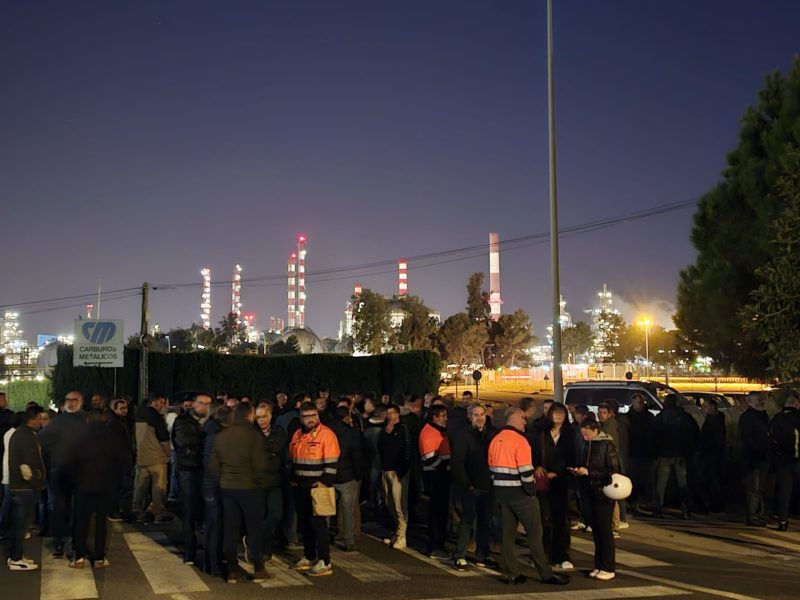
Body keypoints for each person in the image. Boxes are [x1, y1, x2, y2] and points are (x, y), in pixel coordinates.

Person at [488, 407, 568, 586]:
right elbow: (525, 471)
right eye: (523, 419)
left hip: (501, 493)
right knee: (535, 534)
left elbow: (491, 468)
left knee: (507, 536)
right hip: (520, 495)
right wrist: (532, 491)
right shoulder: (520, 441)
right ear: (514, 419)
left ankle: (512, 573)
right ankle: (546, 574)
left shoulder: (496, 439)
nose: (525, 422)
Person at [210, 402, 269, 584]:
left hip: (227, 488)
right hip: (249, 487)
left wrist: (221, 481)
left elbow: (213, 466)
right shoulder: (254, 437)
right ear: (250, 415)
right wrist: (261, 484)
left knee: (230, 529)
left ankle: (232, 570)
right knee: (254, 529)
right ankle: (258, 567)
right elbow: (260, 466)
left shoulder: (221, 436)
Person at [65, 409, 129, 569]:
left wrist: (73, 482)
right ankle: (99, 557)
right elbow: (122, 461)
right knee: (101, 522)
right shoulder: (113, 438)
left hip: (83, 486)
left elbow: (70, 462)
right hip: (106, 486)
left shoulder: (79, 438)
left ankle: (79, 556)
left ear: (88, 420)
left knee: (81, 522)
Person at [289, 401, 340, 577]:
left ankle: (325, 560)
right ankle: (309, 556)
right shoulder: (297, 435)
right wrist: (293, 479)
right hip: (300, 487)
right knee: (304, 524)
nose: (310, 419)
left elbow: (332, 463)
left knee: (319, 526)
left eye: (313, 415)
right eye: (306, 416)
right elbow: (293, 459)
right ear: (301, 417)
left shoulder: (326, 435)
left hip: (317, 487)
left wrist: (324, 482)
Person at [37, 391, 87, 557]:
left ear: (81, 402)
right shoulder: (61, 421)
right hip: (62, 471)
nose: (71, 403)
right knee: (61, 508)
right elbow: (41, 440)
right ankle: (61, 543)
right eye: (69, 400)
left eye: (75, 400)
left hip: (76, 472)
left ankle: (71, 543)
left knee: (74, 510)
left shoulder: (83, 420)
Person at [569, 419, 619, 581]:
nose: (585, 437)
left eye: (587, 434)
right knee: (596, 530)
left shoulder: (606, 445)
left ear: (596, 430)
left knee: (604, 531)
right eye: (583, 434)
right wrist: (578, 471)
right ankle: (599, 565)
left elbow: (612, 470)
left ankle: (608, 567)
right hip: (589, 490)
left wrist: (589, 472)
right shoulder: (585, 444)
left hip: (602, 492)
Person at [451, 403, 498, 571]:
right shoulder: (463, 436)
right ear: (469, 417)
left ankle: (482, 554)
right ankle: (460, 555)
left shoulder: (490, 434)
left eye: (482, 414)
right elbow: (458, 462)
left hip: (488, 485)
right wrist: (467, 484)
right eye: (476, 415)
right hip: (470, 487)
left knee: (485, 522)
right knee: (467, 521)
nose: (479, 418)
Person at [533, 402, 575, 570]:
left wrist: (558, 472)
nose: (558, 416)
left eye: (561, 413)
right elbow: (533, 453)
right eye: (555, 413)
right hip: (543, 480)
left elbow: (572, 457)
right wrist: (537, 466)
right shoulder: (540, 433)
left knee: (561, 520)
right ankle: (543, 554)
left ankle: (561, 554)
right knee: (544, 519)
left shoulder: (570, 434)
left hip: (562, 481)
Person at [172, 393, 211, 565]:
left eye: (208, 404)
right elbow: (183, 442)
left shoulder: (211, 422)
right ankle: (190, 551)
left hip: (205, 470)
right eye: (201, 403)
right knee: (188, 511)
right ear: (193, 404)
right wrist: (203, 441)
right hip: (188, 470)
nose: (204, 406)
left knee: (207, 510)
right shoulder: (182, 421)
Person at [6, 405, 45, 571]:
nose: (42, 422)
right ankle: (15, 558)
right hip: (24, 488)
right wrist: (38, 483)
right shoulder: (26, 436)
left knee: (19, 524)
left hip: (21, 487)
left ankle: (17, 555)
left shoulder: (21, 434)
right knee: (20, 525)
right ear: (32, 419)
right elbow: (26, 467)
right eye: (40, 418)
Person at [653, 395, 697, 519]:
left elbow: (653, 436)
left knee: (661, 485)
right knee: (682, 484)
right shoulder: (685, 418)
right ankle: (685, 509)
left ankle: (658, 509)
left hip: (664, 454)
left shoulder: (660, 417)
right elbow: (693, 435)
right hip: (681, 455)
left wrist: (655, 452)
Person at [201, 405, 232, 577]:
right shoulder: (217, 435)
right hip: (215, 484)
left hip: (211, 483)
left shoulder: (211, 431)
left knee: (214, 525)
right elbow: (214, 464)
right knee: (215, 525)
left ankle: (211, 562)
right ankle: (213, 564)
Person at [133, 394, 172, 524]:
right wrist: (168, 453)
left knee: (141, 486)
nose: (162, 406)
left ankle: (138, 510)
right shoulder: (156, 417)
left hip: (141, 456)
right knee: (158, 487)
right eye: (161, 403)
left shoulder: (137, 415)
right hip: (157, 457)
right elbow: (163, 438)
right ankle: (159, 512)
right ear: (154, 403)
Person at [419, 404, 451, 558]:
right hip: (435, 477)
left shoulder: (436, 431)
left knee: (440, 512)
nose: (446, 419)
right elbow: (429, 459)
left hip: (439, 476)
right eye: (443, 415)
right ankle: (435, 546)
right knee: (437, 513)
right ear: (434, 417)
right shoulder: (429, 433)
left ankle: (438, 544)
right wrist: (446, 467)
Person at [378, 404, 411, 550]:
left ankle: (402, 535)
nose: (390, 416)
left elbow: (407, 449)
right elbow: (381, 447)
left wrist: (402, 469)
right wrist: (386, 433)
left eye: (392, 413)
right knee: (389, 502)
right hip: (386, 470)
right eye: (388, 414)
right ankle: (397, 532)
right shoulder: (385, 431)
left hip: (398, 472)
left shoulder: (403, 429)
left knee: (399, 504)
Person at [329, 405, 362, 551]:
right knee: (348, 510)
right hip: (347, 475)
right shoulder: (351, 433)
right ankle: (349, 540)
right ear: (346, 417)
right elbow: (356, 455)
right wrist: (358, 473)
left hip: (330, 475)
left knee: (327, 510)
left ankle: (324, 537)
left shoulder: (327, 431)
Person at [739, 391, 771, 525]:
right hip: (754, 458)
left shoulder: (760, 416)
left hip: (761, 457)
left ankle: (758, 514)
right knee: (755, 488)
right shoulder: (749, 417)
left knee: (760, 488)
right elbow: (747, 439)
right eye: (758, 399)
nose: (761, 401)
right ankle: (753, 516)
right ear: (751, 402)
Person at [770, 390, 800, 531]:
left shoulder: (776, 418)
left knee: (784, 491)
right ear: (796, 404)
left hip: (782, 460)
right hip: (798, 460)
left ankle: (782, 521)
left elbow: (771, 439)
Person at [626, 393, 655, 512]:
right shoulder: (627, 417)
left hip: (647, 453)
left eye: (641, 402)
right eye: (638, 402)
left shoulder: (649, 416)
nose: (640, 405)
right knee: (634, 479)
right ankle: (634, 501)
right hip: (633, 452)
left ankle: (646, 501)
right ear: (632, 403)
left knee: (647, 479)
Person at [107, 397, 134, 520]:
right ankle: (115, 510)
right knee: (118, 486)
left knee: (122, 485)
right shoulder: (114, 423)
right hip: (118, 459)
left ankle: (120, 509)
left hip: (123, 457)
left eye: (126, 408)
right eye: (121, 408)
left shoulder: (123, 421)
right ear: (115, 409)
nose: (125, 411)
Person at [699, 398, 726, 513]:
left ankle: (714, 504)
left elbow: (714, 439)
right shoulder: (716, 419)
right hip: (712, 454)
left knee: (713, 479)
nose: (703, 408)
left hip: (712, 455)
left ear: (713, 407)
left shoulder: (714, 421)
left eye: (706, 406)